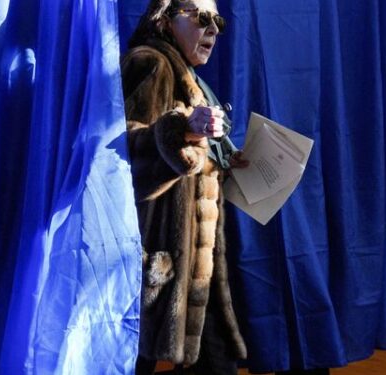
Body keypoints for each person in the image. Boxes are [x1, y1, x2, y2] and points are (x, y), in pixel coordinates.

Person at [121, 0, 249, 374]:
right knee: (133, 356)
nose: (213, 29)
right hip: (157, 260)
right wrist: (181, 130)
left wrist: (222, 159)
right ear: (164, 20)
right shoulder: (150, 63)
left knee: (211, 356)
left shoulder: (192, 79)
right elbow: (121, 153)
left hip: (192, 265)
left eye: (218, 21)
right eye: (202, 17)